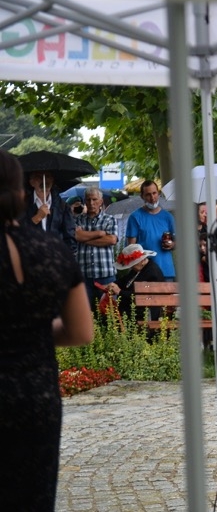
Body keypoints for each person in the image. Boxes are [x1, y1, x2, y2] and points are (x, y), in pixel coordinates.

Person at [0, 149, 94, 512]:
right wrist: (32, 329)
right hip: (38, 396)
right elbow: (81, 332)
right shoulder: (53, 250)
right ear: (21, 193)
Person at [74, 186, 119, 310]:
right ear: (84, 201)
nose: (91, 203)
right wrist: (99, 234)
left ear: (101, 201)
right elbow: (77, 236)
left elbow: (112, 240)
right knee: (85, 313)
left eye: (94, 199)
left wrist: (85, 238)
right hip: (84, 275)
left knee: (108, 314)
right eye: (88, 199)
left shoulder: (110, 220)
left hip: (106, 275)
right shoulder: (78, 220)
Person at [126, 180, 176, 281]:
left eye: (154, 193)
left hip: (166, 270)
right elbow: (131, 248)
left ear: (159, 193)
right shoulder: (135, 217)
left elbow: (177, 242)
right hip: (145, 272)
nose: (152, 198)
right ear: (142, 196)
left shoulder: (168, 217)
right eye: (148, 195)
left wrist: (172, 245)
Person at [105, 243, 166, 320]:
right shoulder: (138, 268)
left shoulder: (152, 272)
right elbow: (126, 280)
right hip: (133, 309)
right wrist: (113, 284)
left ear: (142, 260)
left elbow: (141, 297)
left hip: (145, 312)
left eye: (132, 265)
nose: (131, 267)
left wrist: (120, 292)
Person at [22, 170, 77, 252]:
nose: (45, 180)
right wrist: (37, 218)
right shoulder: (22, 205)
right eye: (39, 177)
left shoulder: (62, 206)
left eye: (48, 176)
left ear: (53, 181)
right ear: (32, 182)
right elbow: (17, 232)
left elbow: (69, 237)